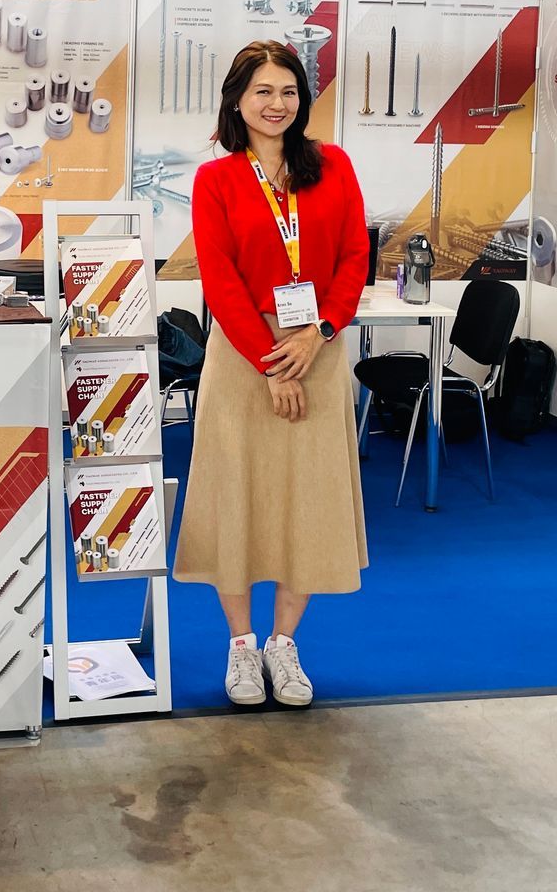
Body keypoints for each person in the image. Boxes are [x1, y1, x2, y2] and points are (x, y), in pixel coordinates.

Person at [174, 39, 369, 709]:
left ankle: (284, 644)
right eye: (262, 91)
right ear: (237, 100)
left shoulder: (333, 166)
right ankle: (240, 644)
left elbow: (355, 257)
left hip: (318, 349)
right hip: (242, 355)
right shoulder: (217, 180)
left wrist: (320, 332)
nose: (276, 103)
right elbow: (220, 279)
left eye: (288, 91)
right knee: (236, 494)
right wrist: (270, 364)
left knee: (306, 498)